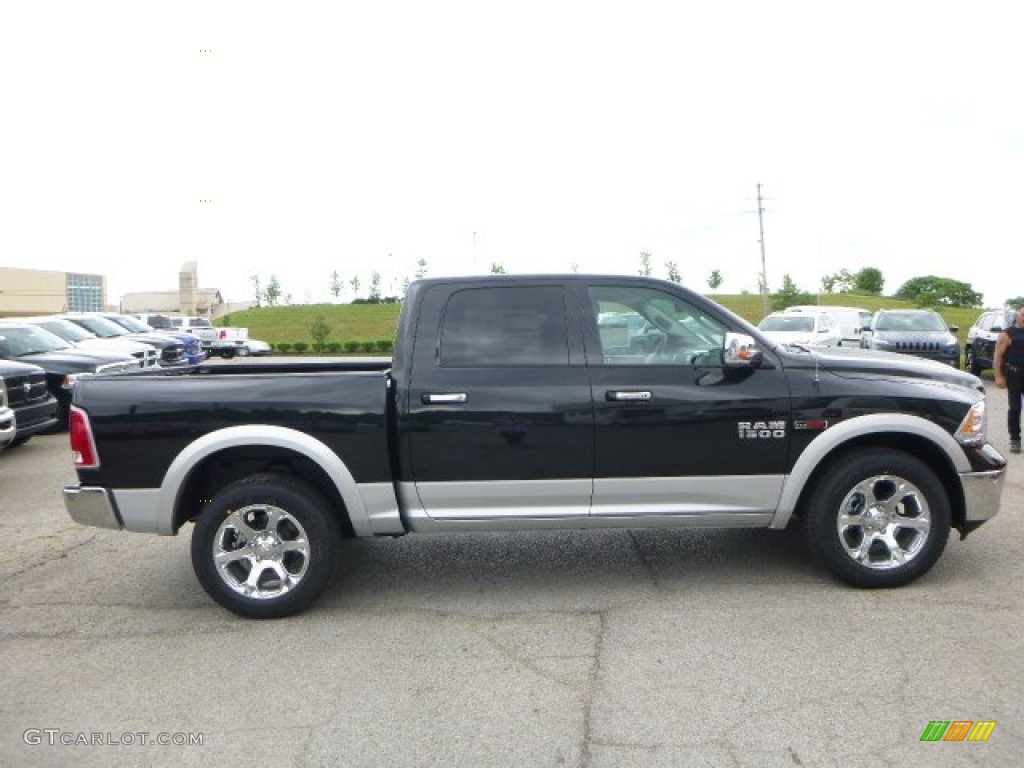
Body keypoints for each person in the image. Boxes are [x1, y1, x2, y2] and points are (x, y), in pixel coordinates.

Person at [993, 305, 1024, 453]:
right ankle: (1015, 439)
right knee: (1015, 407)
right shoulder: (1008, 334)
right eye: (1023, 315)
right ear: (1018, 316)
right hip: (1014, 374)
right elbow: (998, 356)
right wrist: (999, 376)